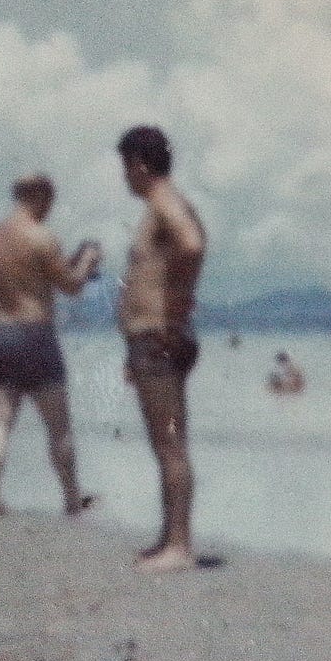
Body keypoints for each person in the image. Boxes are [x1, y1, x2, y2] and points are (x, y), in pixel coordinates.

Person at [0, 174, 101, 518]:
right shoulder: (42, 237)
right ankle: (72, 499)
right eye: (51, 199)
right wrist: (88, 262)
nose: (51, 207)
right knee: (58, 424)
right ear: (40, 196)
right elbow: (71, 286)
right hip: (34, 334)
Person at [115, 125, 209, 573]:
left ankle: (180, 547)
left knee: (170, 444)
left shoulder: (165, 201)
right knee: (165, 442)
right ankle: (170, 537)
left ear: (139, 164)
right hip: (151, 336)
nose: (124, 178)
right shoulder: (161, 205)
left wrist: (174, 307)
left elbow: (191, 243)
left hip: (158, 335)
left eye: (125, 168)